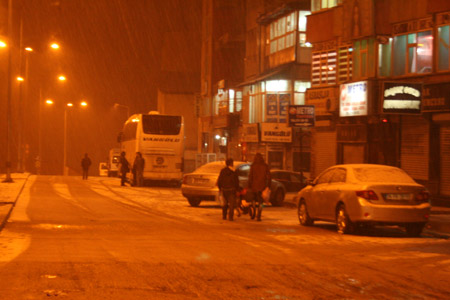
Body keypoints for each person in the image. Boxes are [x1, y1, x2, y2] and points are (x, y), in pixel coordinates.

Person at [248, 152, 271, 221]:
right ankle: (259, 215)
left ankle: (254, 211)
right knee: (261, 202)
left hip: (254, 186)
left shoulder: (253, 165)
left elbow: (250, 176)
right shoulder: (265, 166)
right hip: (262, 187)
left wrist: (249, 185)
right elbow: (269, 177)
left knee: (253, 200)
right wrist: (268, 186)